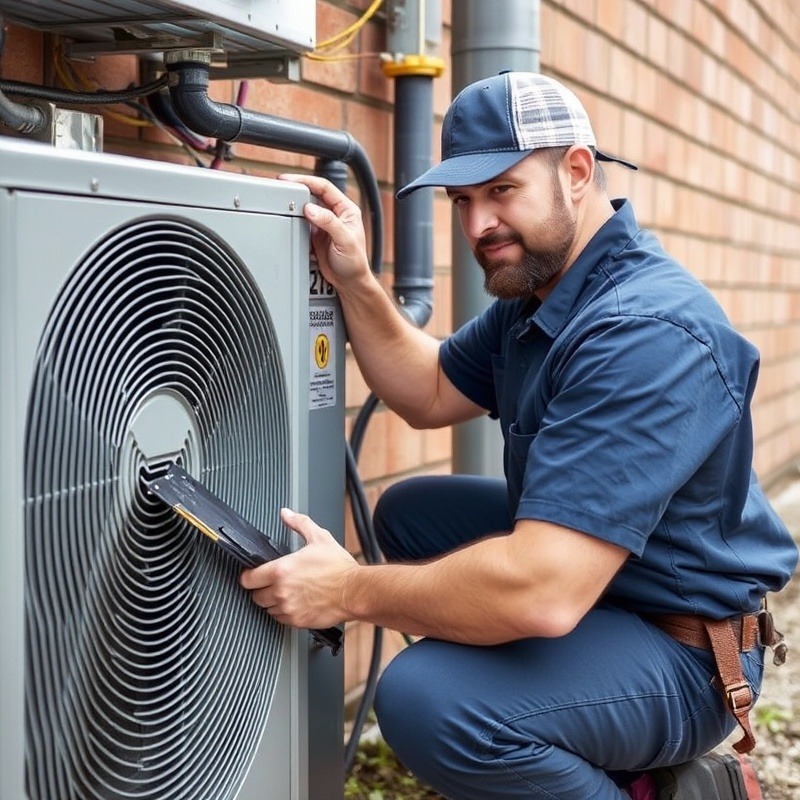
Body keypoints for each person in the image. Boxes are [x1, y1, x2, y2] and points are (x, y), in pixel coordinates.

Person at [240, 71, 798, 800]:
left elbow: (541, 593)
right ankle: (605, 766)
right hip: (614, 594)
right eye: (462, 201)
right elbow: (429, 389)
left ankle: (646, 774)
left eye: (501, 190)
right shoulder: (547, 288)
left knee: (427, 700)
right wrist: (355, 281)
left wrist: (346, 590)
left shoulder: (642, 331)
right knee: (412, 515)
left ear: (575, 171)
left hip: (686, 649)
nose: (477, 227)